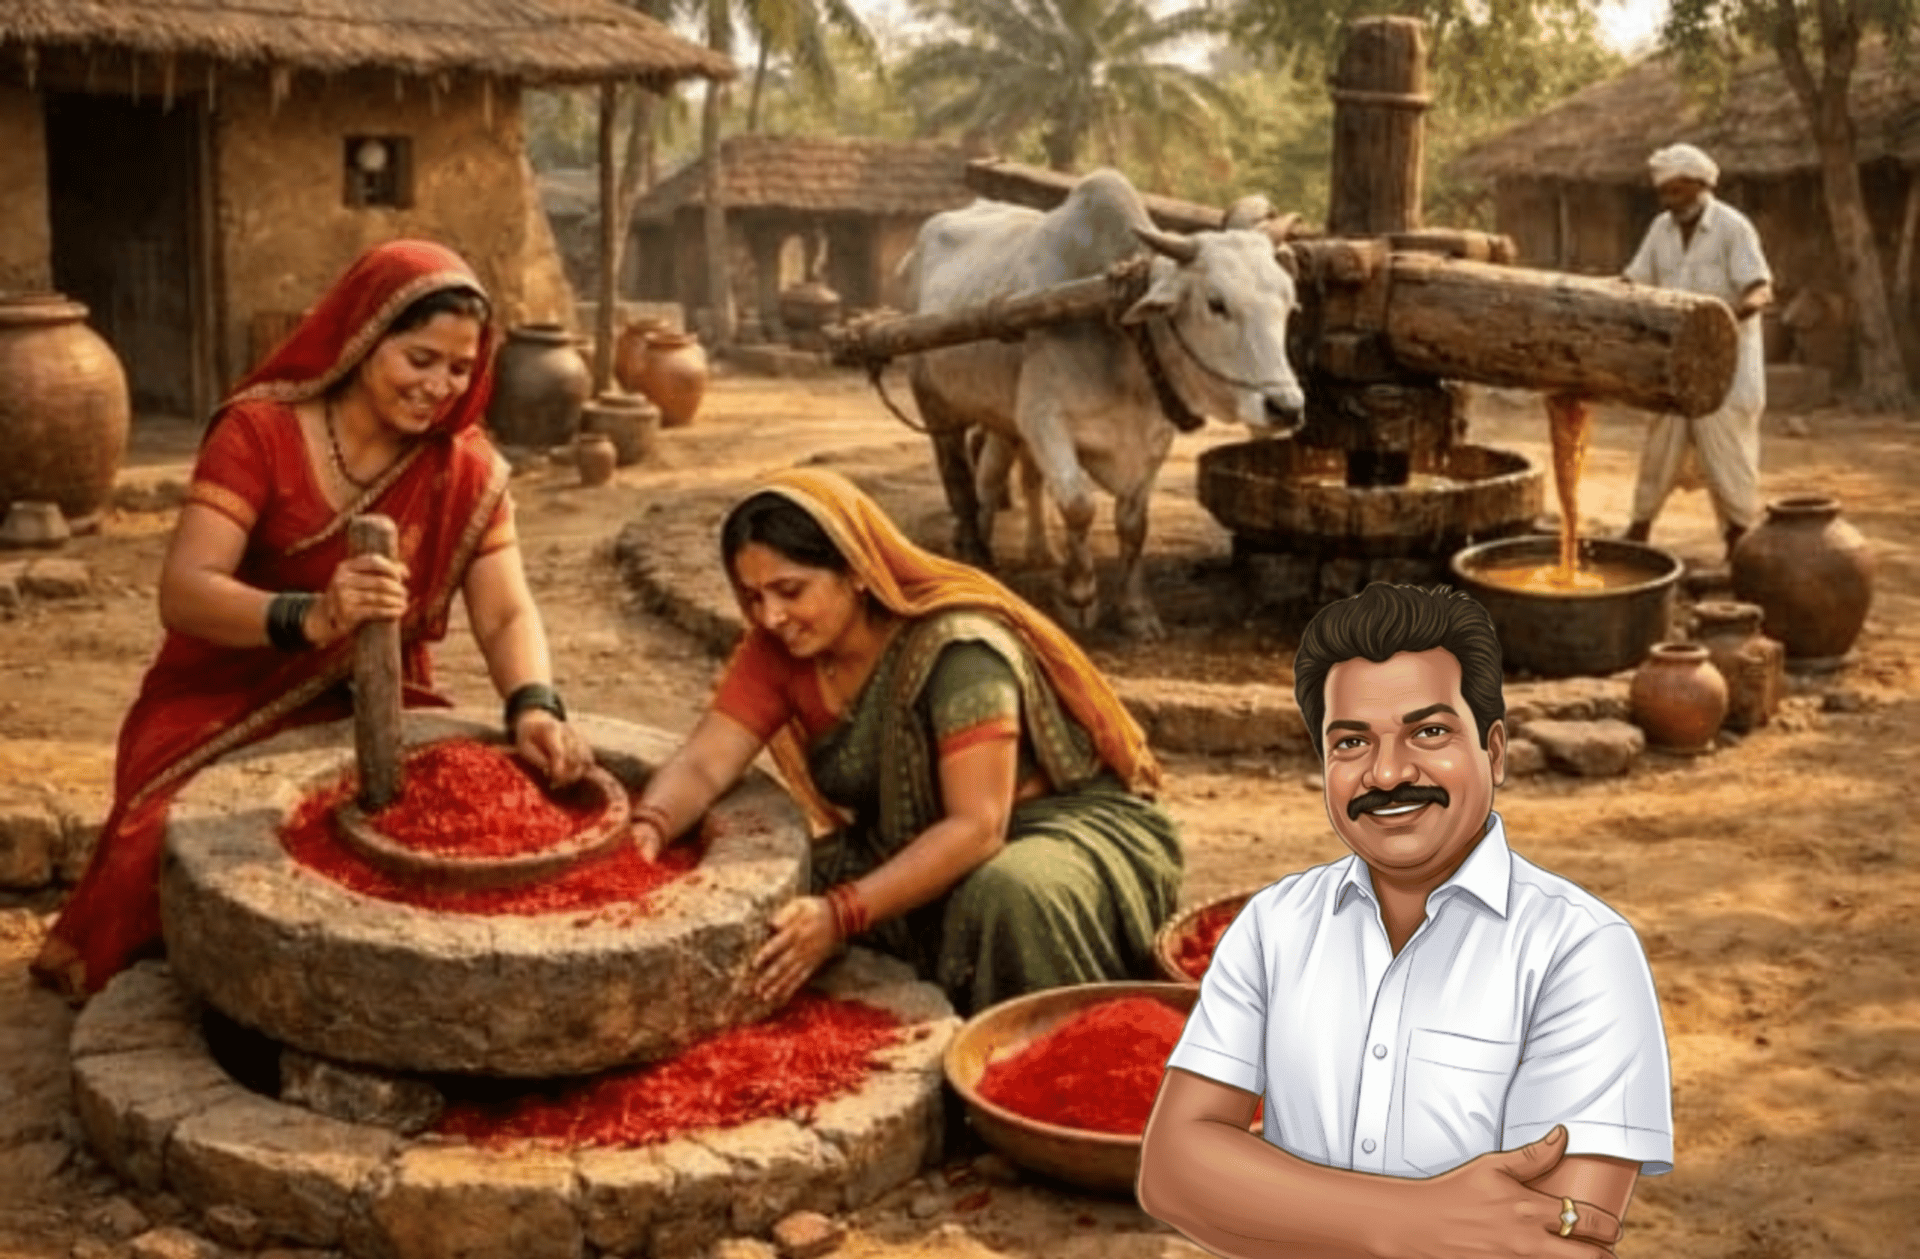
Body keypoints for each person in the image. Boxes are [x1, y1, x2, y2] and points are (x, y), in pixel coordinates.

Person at [30, 239, 593, 1002]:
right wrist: (315, 615)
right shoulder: (260, 433)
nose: (439, 387)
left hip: (370, 694)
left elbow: (505, 610)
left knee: (434, 823)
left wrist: (534, 704)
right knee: (169, 845)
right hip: (221, 695)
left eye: (461, 369)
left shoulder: (463, 467)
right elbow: (186, 590)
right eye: (420, 359)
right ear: (363, 338)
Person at [1137, 583, 1672, 1259]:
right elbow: (1173, 1170)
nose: (1387, 773)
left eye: (1429, 732)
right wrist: (1411, 1221)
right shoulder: (1274, 925)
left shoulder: (1580, 950)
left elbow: (1555, 1242)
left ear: (1495, 751)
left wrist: (1276, 1205)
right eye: (1352, 742)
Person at [628, 468, 1183, 1015]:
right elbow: (704, 765)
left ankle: (1035, 1050)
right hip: (899, 840)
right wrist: (648, 828)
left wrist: (839, 915)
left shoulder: (960, 652)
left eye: (790, 591)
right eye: (752, 597)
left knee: (1009, 895)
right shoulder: (779, 649)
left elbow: (977, 827)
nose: (771, 616)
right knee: (763, 892)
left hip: (1044, 832)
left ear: (856, 571)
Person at [1621, 142, 1775, 562]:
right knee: (1659, 448)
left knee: (1730, 455)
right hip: (1675, 365)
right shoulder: (1661, 229)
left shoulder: (1732, 227)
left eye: (1676, 191)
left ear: (1700, 185)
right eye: (1663, 192)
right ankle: (1637, 533)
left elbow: (1760, 289)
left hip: (1727, 366)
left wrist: (1723, 320)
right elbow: (1635, 279)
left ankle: (1739, 544)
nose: (1668, 201)